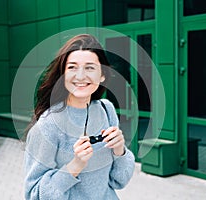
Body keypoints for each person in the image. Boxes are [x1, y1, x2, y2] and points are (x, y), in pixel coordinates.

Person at [24, 34, 135, 200]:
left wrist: (120, 151)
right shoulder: (48, 125)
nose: (81, 76)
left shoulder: (107, 109)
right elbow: (34, 195)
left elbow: (119, 181)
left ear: (102, 75)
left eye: (90, 67)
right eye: (72, 67)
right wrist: (75, 166)